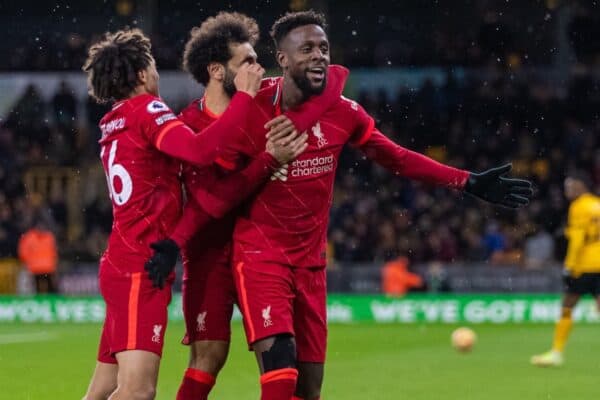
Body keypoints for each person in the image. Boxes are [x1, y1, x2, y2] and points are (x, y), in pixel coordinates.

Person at [148, 11, 533, 400]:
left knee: (310, 387)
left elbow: (396, 157)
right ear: (281, 59)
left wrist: (465, 181)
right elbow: (219, 192)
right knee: (278, 371)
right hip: (260, 257)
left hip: (312, 263)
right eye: (307, 49)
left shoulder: (343, 111)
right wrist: (176, 240)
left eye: (324, 49)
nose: (319, 56)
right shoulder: (252, 108)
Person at [80, 28, 307, 400]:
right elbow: (201, 151)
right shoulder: (148, 109)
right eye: (151, 66)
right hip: (141, 265)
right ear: (140, 75)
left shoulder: (112, 121)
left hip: (122, 261)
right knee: (138, 392)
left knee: (103, 388)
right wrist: (246, 99)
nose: (156, 74)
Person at [148, 12, 344, 400]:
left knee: (282, 364)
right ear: (218, 71)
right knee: (209, 357)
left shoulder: (263, 109)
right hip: (211, 254)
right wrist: (269, 161)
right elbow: (212, 202)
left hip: (262, 251)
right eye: (247, 62)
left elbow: (333, 81)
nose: (258, 68)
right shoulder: (191, 126)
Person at [531, 172, 600, 367]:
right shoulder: (597, 204)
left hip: (585, 265)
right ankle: (556, 352)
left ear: (580, 186)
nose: (567, 191)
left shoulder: (578, 207)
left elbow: (578, 240)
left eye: (570, 187)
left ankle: (556, 352)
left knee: (567, 306)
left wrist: (569, 266)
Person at [17, 219, 58, 293]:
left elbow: (23, 252)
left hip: (40, 267)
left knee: (40, 287)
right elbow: (54, 252)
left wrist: (28, 262)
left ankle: (40, 301)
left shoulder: (29, 237)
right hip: (42, 267)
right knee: (47, 286)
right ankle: (50, 301)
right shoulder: (49, 236)